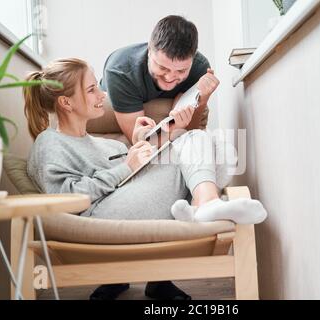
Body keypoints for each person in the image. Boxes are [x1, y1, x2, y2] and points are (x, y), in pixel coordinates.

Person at [24, 58, 267, 300]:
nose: (102, 94)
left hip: (120, 201)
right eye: (92, 89)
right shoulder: (49, 143)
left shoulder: (103, 143)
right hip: (97, 217)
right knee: (193, 144)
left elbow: (136, 174)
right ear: (66, 102)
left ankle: (202, 201)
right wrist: (129, 163)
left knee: (190, 141)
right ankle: (204, 202)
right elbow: (67, 196)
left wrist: (148, 138)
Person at [100, 15, 219, 143]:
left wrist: (202, 100)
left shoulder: (199, 67)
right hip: (119, 99)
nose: (169, 77)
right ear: (149, 51)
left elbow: (191, 133)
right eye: (163, 67)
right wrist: (174, 128)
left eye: (181, 71)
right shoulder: (120, 70)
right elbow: (141, 143)